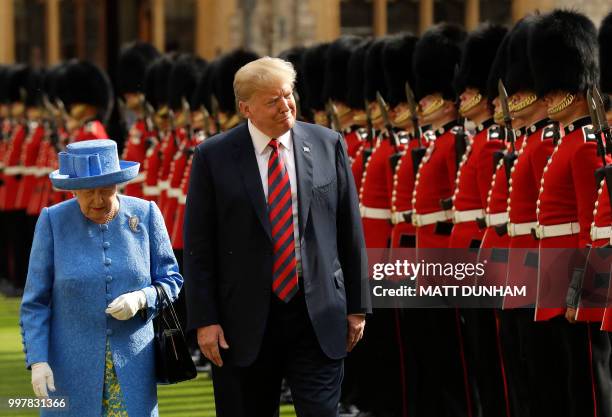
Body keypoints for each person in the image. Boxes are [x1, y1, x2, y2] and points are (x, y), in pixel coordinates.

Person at [183, 56, 370, 417]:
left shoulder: (327, 142)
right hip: (244, 321)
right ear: (246, 108)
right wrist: (204, 320)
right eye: (272, 100)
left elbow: (350, 230)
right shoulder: (213, 156)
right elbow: (199, 247)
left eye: (288, 95)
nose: (285, 106)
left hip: (317, 314)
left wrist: (358, 305)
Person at [20, 139, 183, 417]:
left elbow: (171, 279)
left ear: (118, 184)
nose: (97, 200)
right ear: (73, 191)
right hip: (69, 370)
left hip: (134, 367)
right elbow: (36, 303)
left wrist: (142, 297)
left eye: (106, 190)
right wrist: (37, 360)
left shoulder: (145, 214)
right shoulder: (52, 221)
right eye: (88, 192)